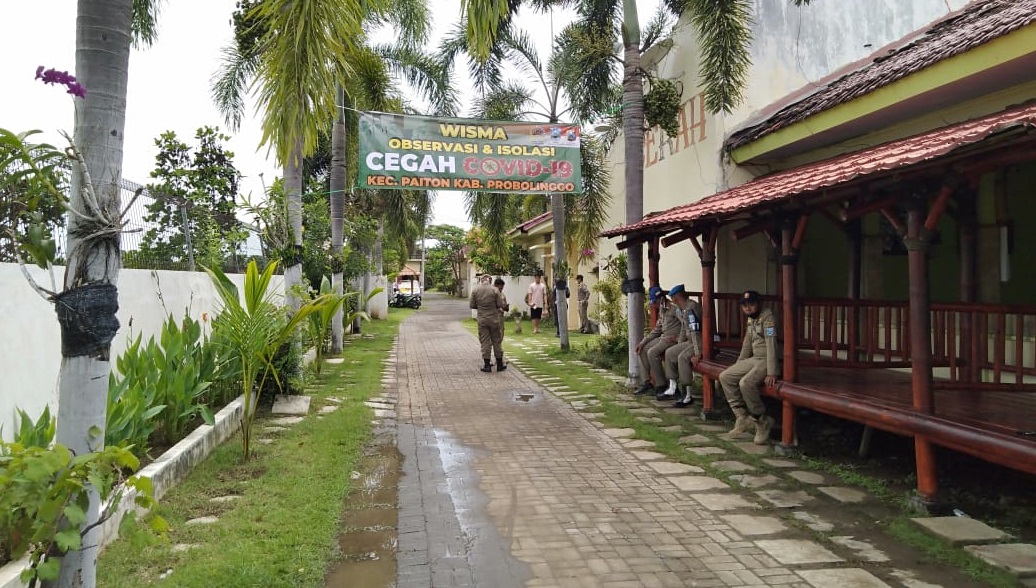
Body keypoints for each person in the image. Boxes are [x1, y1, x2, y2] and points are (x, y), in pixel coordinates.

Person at [718, 290, 779, 444]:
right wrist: (738, 364)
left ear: (759, 304)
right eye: (744, 305)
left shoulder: (767, 317)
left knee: (746, 383)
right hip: (754, 359)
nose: (747, 308)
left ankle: (761, 420)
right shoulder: (751, 319)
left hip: (766, 359)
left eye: (751, 304)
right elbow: (747, 343)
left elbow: (771, 344)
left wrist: (772, 372)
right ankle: (742, 416)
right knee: (725, 376)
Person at [633, 286, 680, 396]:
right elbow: (657, 329)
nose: (654, 304)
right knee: (643, 349)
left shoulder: (674, 309)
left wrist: (678, 338)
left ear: (661, 299)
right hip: (663, 338)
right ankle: (646, 382)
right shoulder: (662, 310)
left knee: (652, 352)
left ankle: (661, 384)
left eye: (655, 301)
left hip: (672, 339)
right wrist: (642, 342)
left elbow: (685, 324)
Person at [663, 285, 704, 407]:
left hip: (699, 341)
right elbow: (683, 327)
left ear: (675, 298)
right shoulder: (684, 308)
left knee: (682, 357)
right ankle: (673, 387)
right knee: (670, 352)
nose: (672, 301)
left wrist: (697, 353)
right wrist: (679, 343)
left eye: (672, 298)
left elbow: (695, 331)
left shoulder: (691, 308)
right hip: (690, 340)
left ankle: (687, 395)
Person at [470, 275, 507, 372]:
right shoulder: (495, 290)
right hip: (494, 319)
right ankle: (499, 364)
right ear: (490, 280)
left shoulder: (475, 290)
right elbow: (500, 304)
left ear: (481, 280)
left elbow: (472, 305)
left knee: (485, 341)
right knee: (496, 341)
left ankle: (487, 365)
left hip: (482, 319)